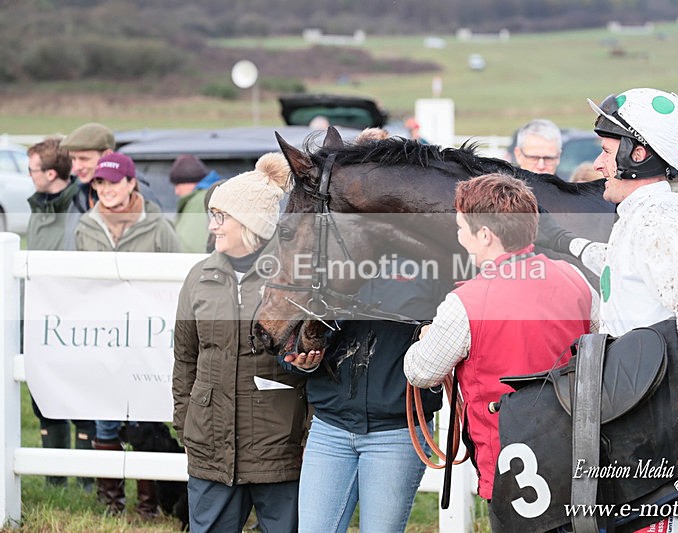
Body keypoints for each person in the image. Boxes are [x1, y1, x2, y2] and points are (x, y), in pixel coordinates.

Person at [536, 87, 678, 533]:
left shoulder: (666, 222)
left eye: (607, 152)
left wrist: (619, 368)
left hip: (653, 417)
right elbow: (621, 266)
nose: (599, 165)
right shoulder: (641, 217)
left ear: (639, 154)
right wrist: (564, 242)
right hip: (638, 411)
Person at [403, 174, 597, 508]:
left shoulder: (464, 302)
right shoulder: (574, 277)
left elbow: (421, 372)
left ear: (485, 235)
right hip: (577, 449)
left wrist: (425, 337)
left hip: (511, 462)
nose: (459, 236)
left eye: (462, 228)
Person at [173, 153, 307, 532]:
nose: (213, 226)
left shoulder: (289, 278)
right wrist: (187, 423)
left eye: (221, 217)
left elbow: (313, 363)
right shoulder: (199, 278)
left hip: (277, 445)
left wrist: (304, 432)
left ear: (250, 223)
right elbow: (185, 359)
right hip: (211, 445)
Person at [283, 257, 446, 533]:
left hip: (396, 431)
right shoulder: (329, 253)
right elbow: (290, 330)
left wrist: (436, 337)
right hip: (329, 428)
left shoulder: (430, 257)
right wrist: (298, 358)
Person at [74, 152, 180, 517]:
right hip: (105, 337)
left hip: (147, 338)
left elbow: (177, 276)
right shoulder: (86, 227)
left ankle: (147, 505)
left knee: (144, 417)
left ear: (131, 182)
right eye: (99, 183)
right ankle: (111, 504)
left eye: (113, 182)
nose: (105, 189)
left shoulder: (158, 226)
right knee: (105, 417)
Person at [25, 137, 96, 489]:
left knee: (81, 401)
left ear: (51, 173)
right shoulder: (38, 209)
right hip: (40, 319)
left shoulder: (79, 209)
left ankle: (86, 481)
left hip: (73, 319)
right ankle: (55, 480)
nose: (29, 176)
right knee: (43, 398)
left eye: (32, 169)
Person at [168, 154, 222, 252]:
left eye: (177, 184)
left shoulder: (200, 202)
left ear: (189, 181)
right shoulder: (211, 196)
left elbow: (191, 246)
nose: (176, 191)